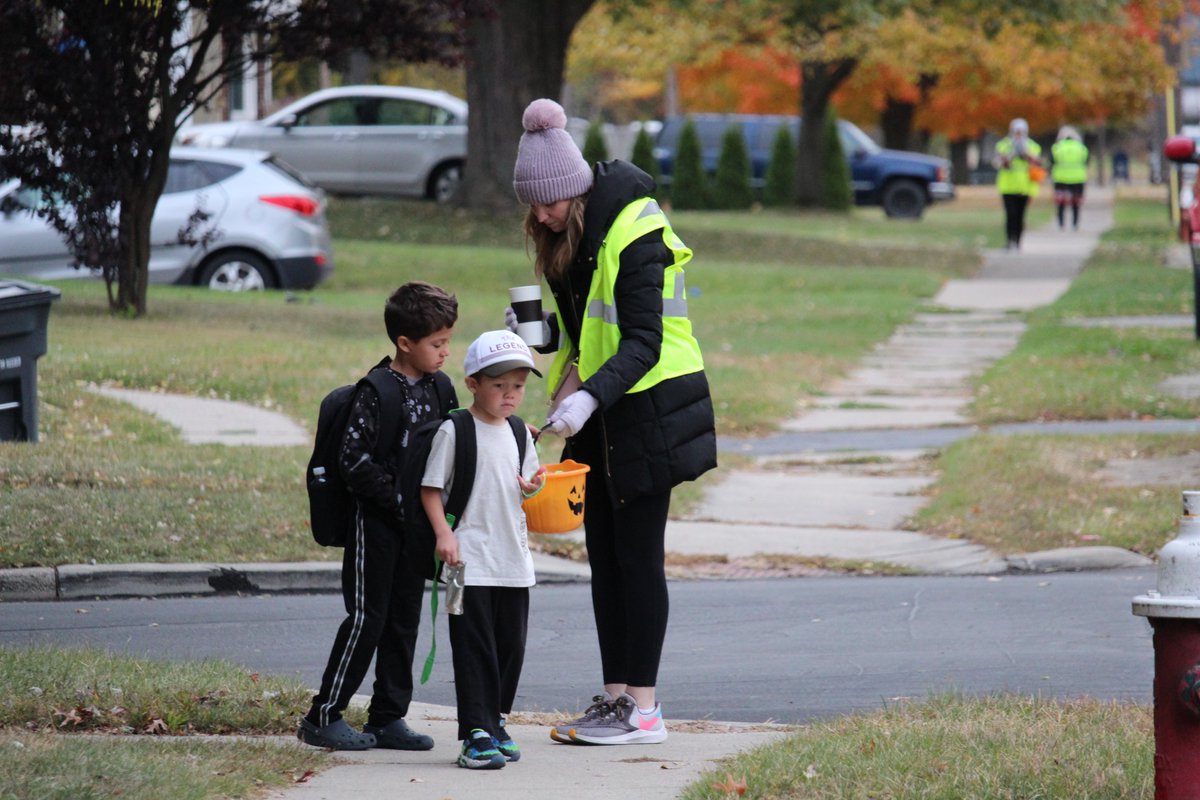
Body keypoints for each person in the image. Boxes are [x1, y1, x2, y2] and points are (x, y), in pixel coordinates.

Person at [507, 98, 718, 746]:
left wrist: (588, 397)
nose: (539, 216)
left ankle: (645, 710)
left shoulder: (635, 231)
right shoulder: (571, 237)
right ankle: (616, 698)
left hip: (652, 405)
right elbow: (589, 334)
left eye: (547, 203)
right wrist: (540, 342)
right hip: (604, 411)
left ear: (572, 190)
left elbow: (645, 341)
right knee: (605, 557)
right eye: (532, 205)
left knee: (637, 558)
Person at [298, 281, 458, 751]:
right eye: (437, 343)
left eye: (448, 341)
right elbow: (353, 462)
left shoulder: (440, 387)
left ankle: (388, 717)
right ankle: (323, 715)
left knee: (404, 619)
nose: (446, 352)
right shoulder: (376, 391)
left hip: (416, 530)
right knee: (368, 618)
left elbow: (451, 446)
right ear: (404, 343)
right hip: (376, 525)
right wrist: (399, 501)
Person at [420, 329, 545, 770]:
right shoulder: (455, 431)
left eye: (518, 386)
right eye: (499, 386)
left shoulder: (519, 434)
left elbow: (525, 484)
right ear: (472, 383)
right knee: (474, 648)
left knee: (511, 646)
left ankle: (496, 721)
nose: (510, 396)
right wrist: (443, 534)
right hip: (466, 562)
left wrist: (533, 488)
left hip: (513, 560)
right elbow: (431, 489)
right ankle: (475, 733)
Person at [993, 118, 1043, 251]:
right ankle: (1009, 240)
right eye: (1017, 132)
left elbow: (1037, 162)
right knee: (1010, 215)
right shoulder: (1004, 145)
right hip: (1008, 187)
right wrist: (1011, 155)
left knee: (1020, 215)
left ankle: (1018, 241)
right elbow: (999, 162)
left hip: (1025, 187)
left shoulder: (1032, 146)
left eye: (1021, 132)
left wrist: (1026, 154)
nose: (1019, 135)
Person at [1051, 125, 1089, 230]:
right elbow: (1086, 162)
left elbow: (1052, 162)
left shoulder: (1057, 148)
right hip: (1078, 178)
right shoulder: (1081, 148)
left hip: (1060, 178)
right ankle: (1075, 223)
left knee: (1061, 203)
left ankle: (1061, 223)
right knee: (1076, 203)